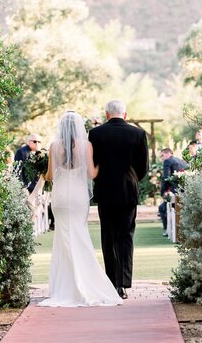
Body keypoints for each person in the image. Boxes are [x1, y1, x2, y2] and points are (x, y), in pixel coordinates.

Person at [39, 111, 122, 307]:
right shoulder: (86, 145)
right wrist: (103, 166)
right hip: (78, 195)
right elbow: (91, 174)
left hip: (60, 197)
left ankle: (64, 287)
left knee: (62, 237)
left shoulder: (54, 146)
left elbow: (50, 175)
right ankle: (87, 282)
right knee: (80, 235)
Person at [88, 99, 149, 300]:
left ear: (106, 114)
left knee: (108, 237)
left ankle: (111, 283)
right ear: (125, 114)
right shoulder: (138, 134)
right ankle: (123, 283)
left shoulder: (95, 134)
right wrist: (131, 179)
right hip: (128, 191)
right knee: (126, 236)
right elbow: (143, 168)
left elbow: (94, 164)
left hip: (105, 192)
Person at [158, 148, 188, 237]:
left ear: (168, 154)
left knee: (162, 208)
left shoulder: (167, 161)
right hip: (185, 191)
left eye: (162, 155)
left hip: (174, 192)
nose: (161, 158)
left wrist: (163, 191)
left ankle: (168, 230)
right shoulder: (182, 161)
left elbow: (166, 178)